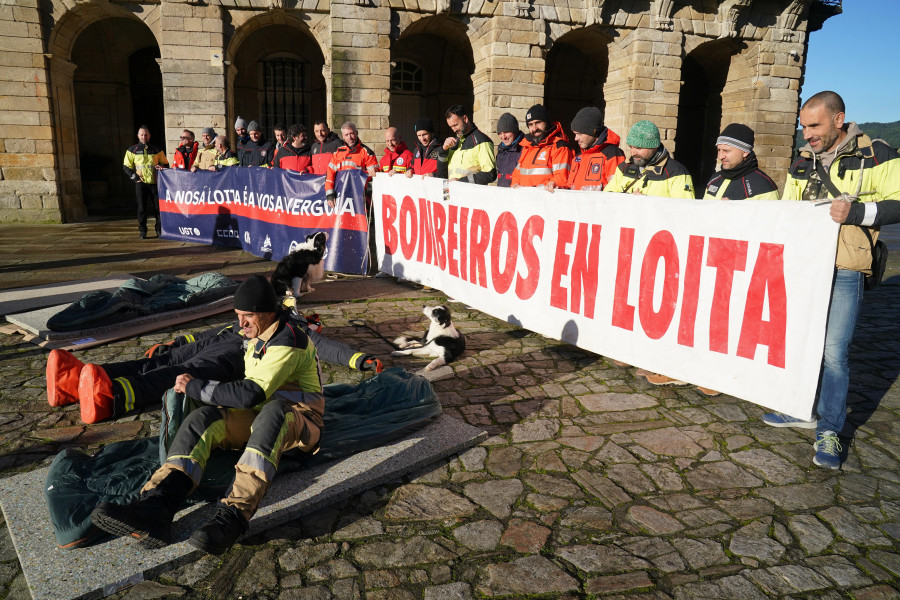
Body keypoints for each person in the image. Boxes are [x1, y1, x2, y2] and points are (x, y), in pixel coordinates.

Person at [90, 276, 329, 554]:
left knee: (273, 413)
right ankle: (157, 505)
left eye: (248, 316)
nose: (242, 323)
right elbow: (218, 351)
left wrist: (196, 386)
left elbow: (249, 394)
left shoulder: (289, 339)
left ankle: (234, 516)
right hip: (261, 414)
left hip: (302, 424)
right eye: (238, 316)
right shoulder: (259, 331)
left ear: (267, 312)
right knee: (204, 419)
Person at [761, 90, 900, 469]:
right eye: (803, 127)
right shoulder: (801, 161)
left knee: (834, 352)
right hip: (805, 265)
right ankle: (800, 407)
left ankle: (831, 429)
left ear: (839, 120)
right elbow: (787, 211)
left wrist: (858, 212)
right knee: (800, 341)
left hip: (846, 265)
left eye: (814, 125)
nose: (807, 134)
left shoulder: (878, 154)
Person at [46, 302, 383, 424]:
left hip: (232, 355)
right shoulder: (260, 312)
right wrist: (180, 342)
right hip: (217, 340)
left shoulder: (294, 331)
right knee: (156, 361)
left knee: (172, 374)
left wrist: (360, 359)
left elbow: (326, 347)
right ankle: (75, 381)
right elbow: (216, 329)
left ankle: (110, 399)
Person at [604, 120, 695, 198]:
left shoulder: (677, 172)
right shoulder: (624, 167)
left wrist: (648, 203)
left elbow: (683, 211)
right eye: (631, 147)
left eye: (638, 148)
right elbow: (607, 198)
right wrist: (628, 199)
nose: (632, 152)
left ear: (654, 146)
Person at [703, 123, 779, 200]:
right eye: (719, 150)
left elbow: (771, 212)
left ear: (745, 152)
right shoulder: (715, 178)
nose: (721, 156)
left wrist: (736, 209)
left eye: (726, 151)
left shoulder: (763, 186)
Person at [510, 104, 574, 191]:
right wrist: (515, 185)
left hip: (545, 201)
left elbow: (562, 178)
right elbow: (517, 174)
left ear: (547, 122)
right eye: (530, 124)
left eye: (538, 123)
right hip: (524, 200)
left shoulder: (559, 147)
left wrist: (532, 190)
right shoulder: (527, 147)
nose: (534, 128)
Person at [122, 125, 169, 239]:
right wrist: (135, 178)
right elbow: (126, 167)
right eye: (142, 134)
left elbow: (166, 164)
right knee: (142, 209)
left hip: (155, 182)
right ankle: (143, 231)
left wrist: (161, 166)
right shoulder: (132, 150)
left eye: (146, 134)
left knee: (158, 208)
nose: (144, 136)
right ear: (138, 136)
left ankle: (159, 229)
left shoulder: (157, 149)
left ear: (149, 136)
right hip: (141, 183)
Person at [567, 106, 625, 191]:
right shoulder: (578, 157)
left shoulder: (612, 154)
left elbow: (617, 189)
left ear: (593, 132)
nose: (576, 138)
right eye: (575, 134)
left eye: (579, 134)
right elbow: (570, 186)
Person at [437, 104, 496, 184]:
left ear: (465, 119)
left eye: (455, 125)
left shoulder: (481, 140)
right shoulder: (455, 142)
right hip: (452, 194)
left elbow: (490, 174)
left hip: (470, 195)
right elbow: (442, 175)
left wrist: (460, 182)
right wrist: (443, 151)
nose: (454, 130)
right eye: (451, 127)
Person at [324, 121, 377, 205]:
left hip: (359, 196)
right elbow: (330, 175)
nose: (350, 137)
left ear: (356, 133)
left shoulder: (367, 152)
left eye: (351, 134)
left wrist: (367, 174)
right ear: (343, 136)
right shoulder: (337, 153)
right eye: (346, 135)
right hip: (340, 196)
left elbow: (374, 174)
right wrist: (330, 195)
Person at [495, 112, 524, 188]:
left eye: (506, 132)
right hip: (502, 195)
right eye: (500, 133)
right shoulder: (501, 150)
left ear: (515, 131)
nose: (503, 137)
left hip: (517, 195)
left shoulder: (524, 149)